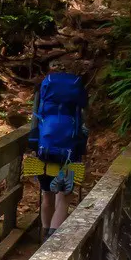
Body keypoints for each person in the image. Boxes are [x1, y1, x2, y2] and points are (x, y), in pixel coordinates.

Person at [30, 59, 88, 238]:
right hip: (70, 151)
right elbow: (85, 122)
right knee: (63, 198)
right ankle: (52, 241)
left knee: (47, 195)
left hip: (45, 148)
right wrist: (82, 145)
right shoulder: (78, 89)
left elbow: (34, 119)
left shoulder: (43, 89)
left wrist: (33, 145)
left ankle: (43, 235)